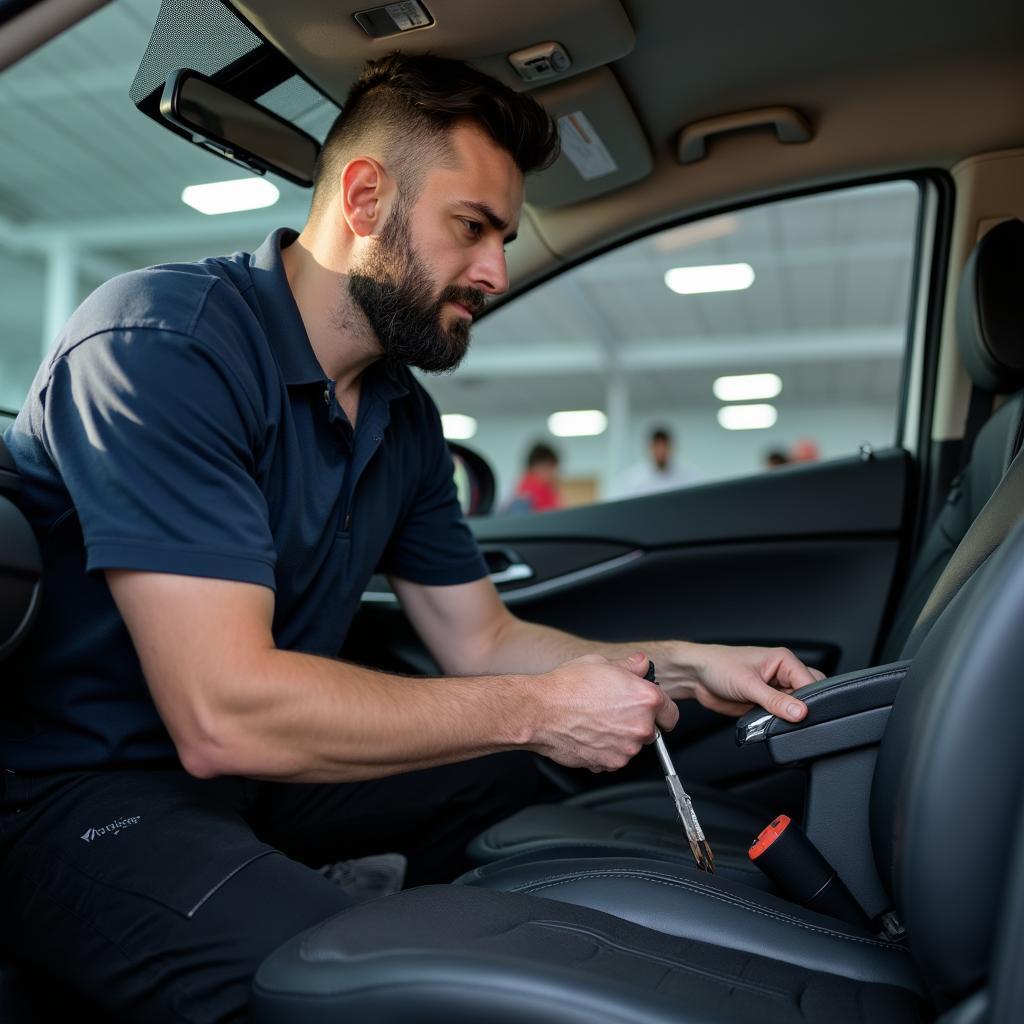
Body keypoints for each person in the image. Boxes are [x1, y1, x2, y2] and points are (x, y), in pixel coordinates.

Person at [0, 54, 822, 1022]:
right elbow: (221, 711)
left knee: (513, 770)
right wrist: (535, 708)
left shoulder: (403, 419)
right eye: (471, 228)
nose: (496, 270)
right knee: (361, 987)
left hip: (252, 781)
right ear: (362, 197)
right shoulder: (161, 347)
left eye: (503, 238)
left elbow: (482, 642)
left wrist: (682, 666)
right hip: (83, 799)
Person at [615, 426, 702, 497]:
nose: (661, 451)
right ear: (650, 448)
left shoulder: (689, 477)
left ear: (672, 448)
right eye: (657, 447)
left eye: (664, 447)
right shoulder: (633, 479)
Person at [503, 440, 562, 514]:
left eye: (553, 468)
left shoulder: (548, 488)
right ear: (533, 467)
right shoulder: (527, 490)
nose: (552, 473)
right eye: (547, 467)